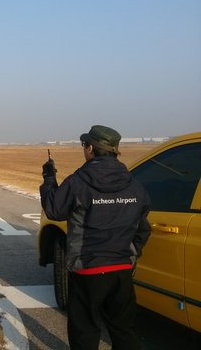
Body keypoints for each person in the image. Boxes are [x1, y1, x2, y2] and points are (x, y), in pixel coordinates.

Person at [40, 125, 151, 350]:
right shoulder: (134, 184)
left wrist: (49, 178)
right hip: (121, 271)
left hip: (87, 271)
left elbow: (54, 209)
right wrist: (131, 253)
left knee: (85, 333)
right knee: (123, 331)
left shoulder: (78, 181)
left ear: (91, 148)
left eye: (84, 145)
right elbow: (143, 227)